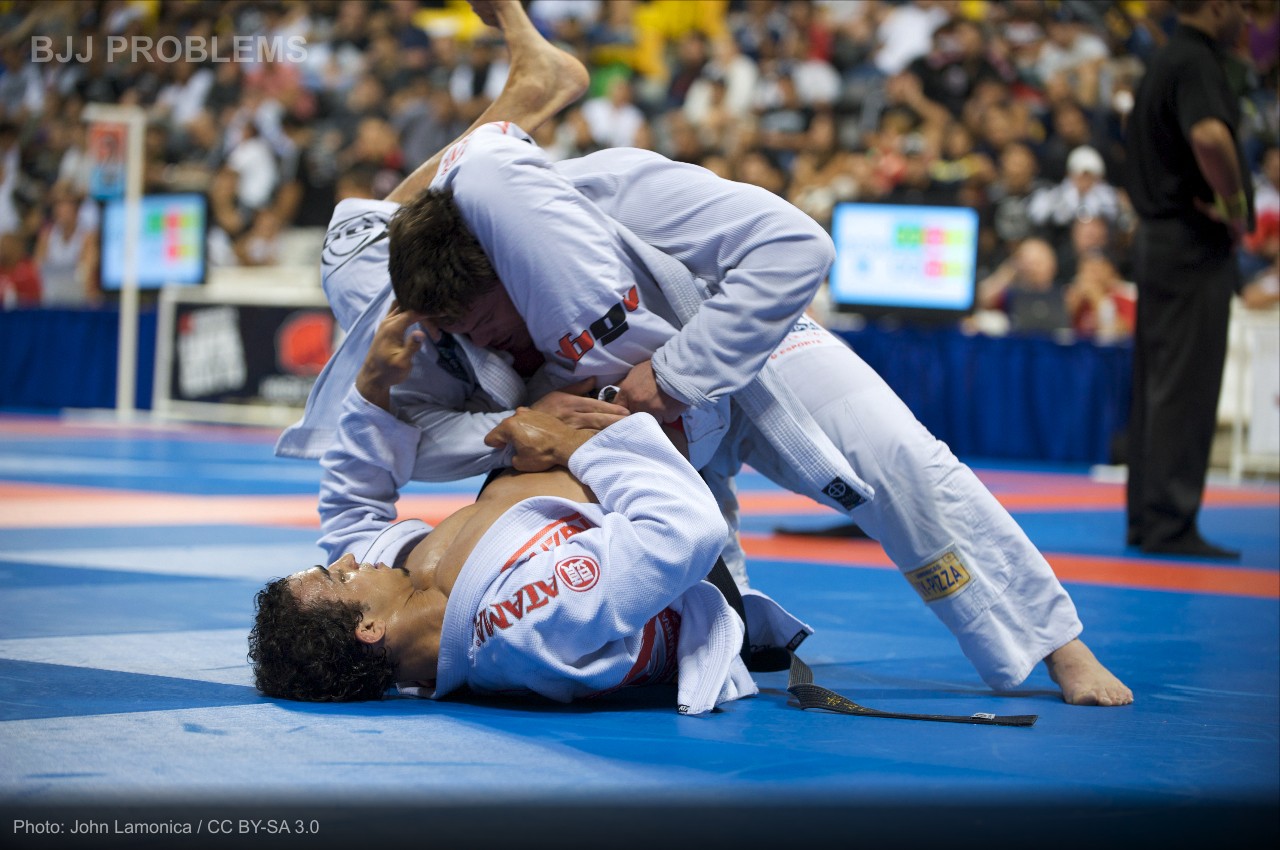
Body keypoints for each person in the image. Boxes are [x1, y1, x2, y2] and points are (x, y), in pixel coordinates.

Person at [280, 2, 1131, 707]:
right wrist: (459, 410)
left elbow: (796, 250)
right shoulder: (429, 326)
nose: (485, 340)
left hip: (735, 349)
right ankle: (530, 93)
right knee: (349, 250)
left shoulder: (615, 191)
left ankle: (1055, 644)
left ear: (508, 266)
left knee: (902, 462)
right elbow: (413, 453)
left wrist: (675, 374)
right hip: (624, 438)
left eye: (488, 320)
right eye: (463, 329)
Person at [251, 305, 808, 711]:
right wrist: (571, 446)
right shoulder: (520, 625)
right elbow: (687, 531)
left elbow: (351, 507)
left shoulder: (400, 577)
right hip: (676, 499)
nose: (346, 560)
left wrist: (373, 388)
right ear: (369, 628)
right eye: (338, 576)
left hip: (601, 450)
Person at [1123, 0, 1252, 559]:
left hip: (1157, 239)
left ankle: (1147, 518)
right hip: (1191, 241)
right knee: (1185, 383)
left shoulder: (1162, 58)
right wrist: (1236, 205)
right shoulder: (1198, 61)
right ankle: (1171, 523)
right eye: (1244, 7)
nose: (1250, 21)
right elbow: (1209, 137)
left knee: (1158, 383)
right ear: (1218, 6)